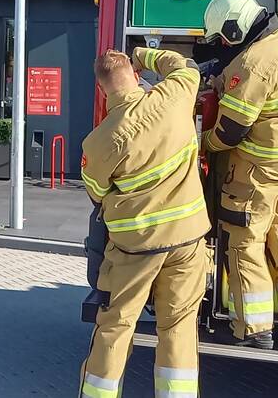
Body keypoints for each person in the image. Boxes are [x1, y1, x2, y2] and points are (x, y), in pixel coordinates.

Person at [79, 48, 210, 398]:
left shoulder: (99, 140)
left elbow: (96, 192)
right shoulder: (175, 94)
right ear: (136, 77)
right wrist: (143, 54)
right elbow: (184, 66)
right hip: (188, 240)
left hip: (135, 248)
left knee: (115, 326)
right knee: (179, 328)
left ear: (102, 89)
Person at [201, 0, 278, 353]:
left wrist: (197, 141)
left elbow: (229, 132)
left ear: (234, 31)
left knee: (246, 244)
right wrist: (222, 79)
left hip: (257, 173)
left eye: (222, 37)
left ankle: (254, 329)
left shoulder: (253, 63)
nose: (221, 44)